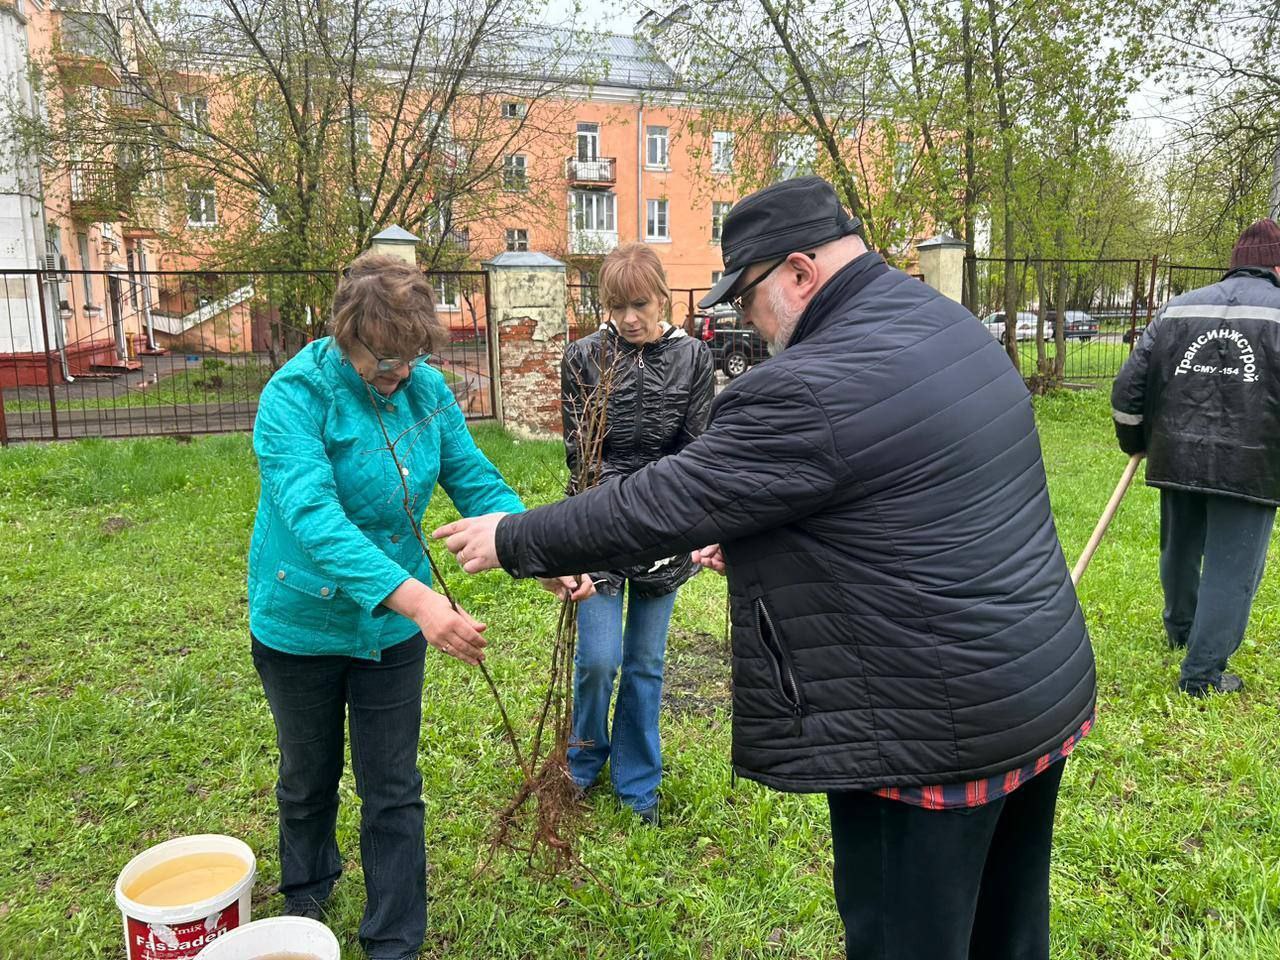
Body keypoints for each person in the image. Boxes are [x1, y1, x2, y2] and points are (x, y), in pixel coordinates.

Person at [435, 175, 1097, 960]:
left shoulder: (808, 384)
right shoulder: (944, 324)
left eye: (747, 300)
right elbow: (898, 500)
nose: (748, 322)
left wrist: (514, 537)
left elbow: (660, 502)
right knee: (1006, 933)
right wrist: (750, 535)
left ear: (799, 272)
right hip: (1034, 688)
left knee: (903, 939)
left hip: (928, 729)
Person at [248, 252, 589, 960]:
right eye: (384, 360)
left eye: (410, 358)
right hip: (301, 624)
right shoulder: (294, 396)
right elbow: (313, 519)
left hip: (390, 630)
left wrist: (539, 552)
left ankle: (395, 939)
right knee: (306, 777)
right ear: (345, 334)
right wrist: (420, 602)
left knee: (393, 786)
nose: (398, 373)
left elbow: (475, 478)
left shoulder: (426, 392)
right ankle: (307, 891)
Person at [561, 243, 714, 824]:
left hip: (667, 529)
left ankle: (637, 784)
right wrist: (611, 513)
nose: (629, 317)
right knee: (599, 659)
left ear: (662, 298)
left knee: (646, 664)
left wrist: (667, 515)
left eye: (639, 304)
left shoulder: (695, 360)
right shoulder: (583, 357)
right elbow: (582, 453)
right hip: (599, 526)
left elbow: (698, 451)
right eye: (617, 305)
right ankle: (582, 764)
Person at [1112, 218, 1280, 697]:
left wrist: (1136, 441)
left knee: (1180, 548)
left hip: (1177, 454)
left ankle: (1181, 632)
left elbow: (1127, 391)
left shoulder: (1177, 309)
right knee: (1233, 568)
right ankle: (1202, 674)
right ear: (1276, 265)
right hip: (1252, 466)